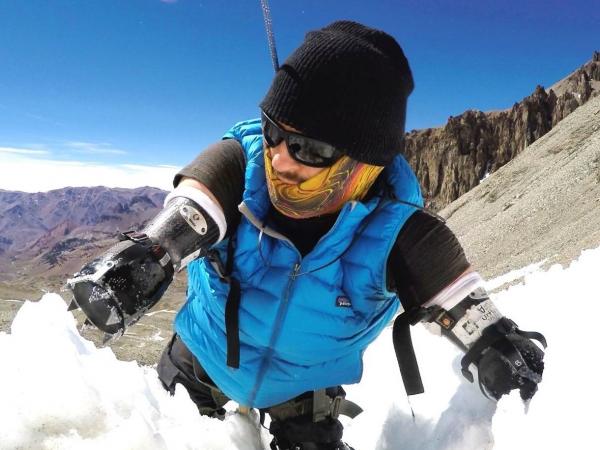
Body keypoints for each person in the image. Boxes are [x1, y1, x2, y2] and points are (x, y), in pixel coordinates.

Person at [68, 21, 545, 450]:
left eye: (308, 147)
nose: (279, 158)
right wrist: (150, 254)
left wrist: (503, 355)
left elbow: (469, 311)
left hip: (304, 391)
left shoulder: (403, 236)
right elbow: (201, 197)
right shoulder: (245, 167)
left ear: (365, 162)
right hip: (200, 359)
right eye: (274, 131)